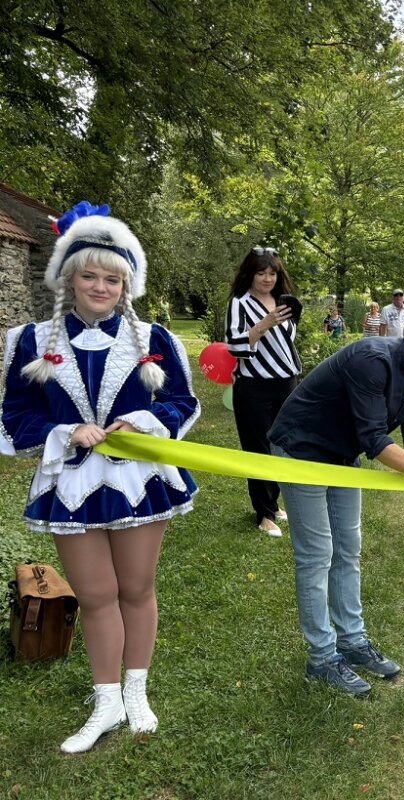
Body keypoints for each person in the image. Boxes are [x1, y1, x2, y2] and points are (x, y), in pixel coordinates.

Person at [0, 201, 199, 753]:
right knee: (94, 595)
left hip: (138, 478)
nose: (101, 286)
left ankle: (136, 689)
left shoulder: (155, 338)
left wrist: (142, 420)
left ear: (125, 284)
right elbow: (13, 415)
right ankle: (106, 698)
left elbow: (183, 404)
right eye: (89, 274)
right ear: (69, 276)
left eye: (112, 278)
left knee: (135, 588)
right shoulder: (30, 341)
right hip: (70, 484)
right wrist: (65, 432)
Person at [268, 303, 404, 695]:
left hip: (341, 455)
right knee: (317, 555)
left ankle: (352, 642)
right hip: (300, 450)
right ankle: (321, 658)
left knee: (348, 550)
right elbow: (375, 441)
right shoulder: (373, 360)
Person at [225, 246, 300, 537]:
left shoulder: (284, 302)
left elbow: (289, 341)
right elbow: (234, 345)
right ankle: (263, 513)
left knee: (283, 445)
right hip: (253, 385)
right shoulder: (239, 303)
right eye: (261, 272)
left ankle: (274, 503)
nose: (267, 278)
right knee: (258, 447)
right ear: (250, 274)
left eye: (272, 273)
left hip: (286, 382)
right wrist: (264, 324)